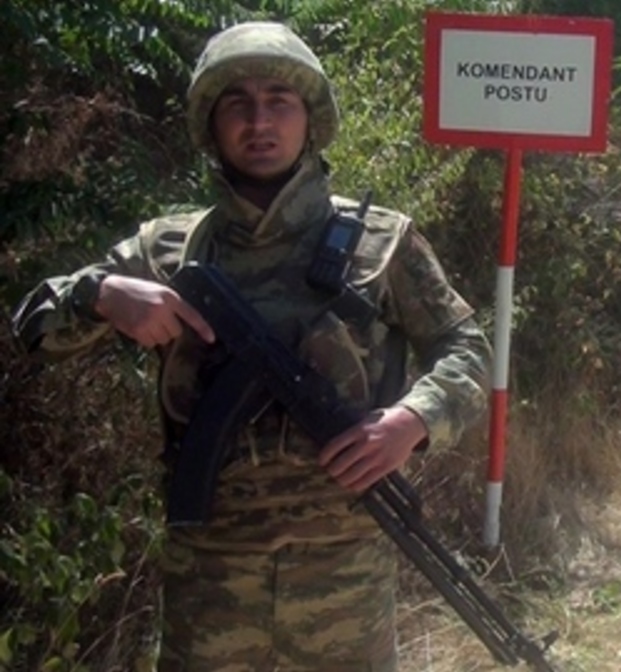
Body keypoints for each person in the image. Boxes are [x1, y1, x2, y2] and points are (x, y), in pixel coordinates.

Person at [11, 22, 490, 670]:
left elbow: (465, 346)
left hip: (343, 580)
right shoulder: (169, 250)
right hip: (210, 581)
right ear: (210, 123)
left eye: (278, 101)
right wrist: (101, 294)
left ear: (310, 120)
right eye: (237, 102)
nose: (259, 120)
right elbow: (32, 326)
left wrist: (414, 420)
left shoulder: (382, 243)